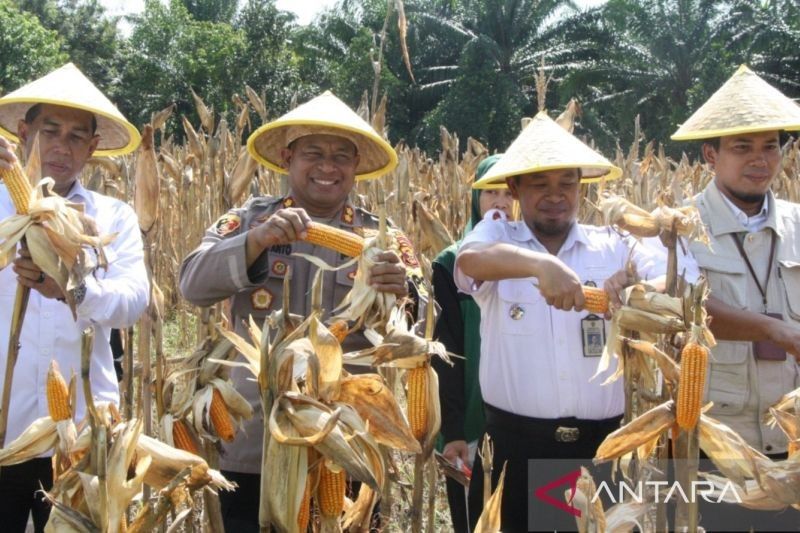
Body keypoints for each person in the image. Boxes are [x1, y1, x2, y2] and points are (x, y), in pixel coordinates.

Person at [179, 91, 421, 532]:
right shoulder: (248, 220)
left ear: (356, 167)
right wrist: (256, 242)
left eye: (341, 157)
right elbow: (191, 284)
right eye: (314, 153)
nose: (328, 167)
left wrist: (402, 294)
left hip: (347, 440)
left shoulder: (386, 239)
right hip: (255, 438)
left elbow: (423, 324)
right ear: (288, 158)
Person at [454, 111, 698, 532]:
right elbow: (468, 261)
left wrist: (640, 288)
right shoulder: (498, 236)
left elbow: (682, 281)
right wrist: (539, 266)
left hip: (598, 449)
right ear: (514, 188)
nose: (556, 195)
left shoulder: (613, 242)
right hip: (514, 447)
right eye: (540, 184)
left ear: (581, 185)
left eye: (566, 182)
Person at [0, 63, 148, 532]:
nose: (61, 147)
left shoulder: (112, 217)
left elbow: (132, 301)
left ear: (93, 147)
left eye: (75, 136)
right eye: (49, 131)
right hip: (3, 427)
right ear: (24, 132)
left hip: (84, 431)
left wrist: (70, 289)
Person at [672, 65, 800, 530]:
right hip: (713, 443)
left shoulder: (798, 224)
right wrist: (773, 328)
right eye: (742, 147)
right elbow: (681, 311)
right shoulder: (678, 229)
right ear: (710, 154)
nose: (760, 159)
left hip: (792, 442)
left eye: (771, 146)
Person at [431, 154, 514, 532]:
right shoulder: (449, 265)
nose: (500, 202)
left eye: (508, 192)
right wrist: (453, 431)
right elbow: (444, 353)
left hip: (521, 421)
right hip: (467, 420)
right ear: (474, 199)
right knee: (471, 517)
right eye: (489, 192)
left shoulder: (540, 264)